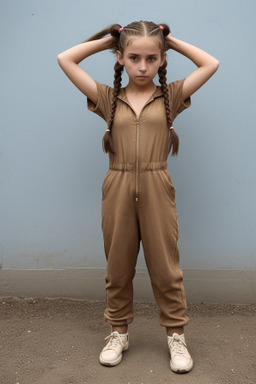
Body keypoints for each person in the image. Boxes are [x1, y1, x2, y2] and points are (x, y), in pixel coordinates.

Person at [57, 20, 219, 373]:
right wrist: (106, 43)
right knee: (118, 266)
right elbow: (65, 59)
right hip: (116, 187)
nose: (143, 66)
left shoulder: (171, 96)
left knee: (165, 267)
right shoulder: (107, 98)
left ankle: (176, 335)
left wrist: (170, 41)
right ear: (121, 59)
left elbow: (211, 64)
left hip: (157, 184)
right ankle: (118, 332)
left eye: (151, 58)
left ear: (161, 60)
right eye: (133, 57)